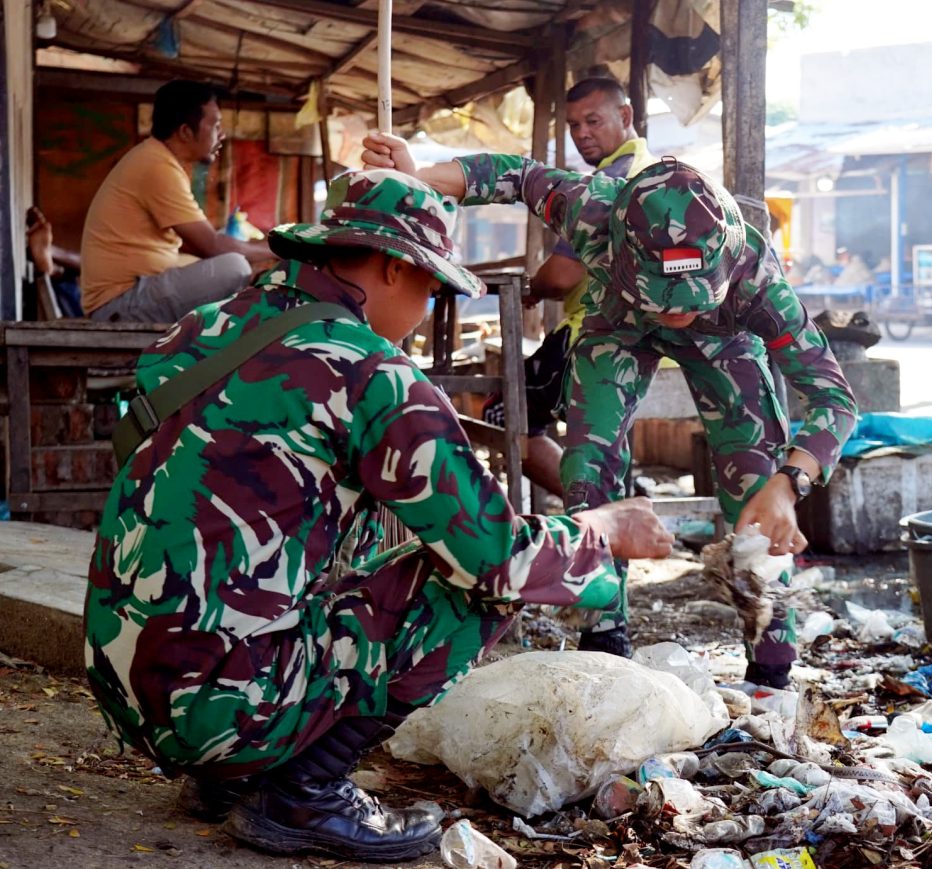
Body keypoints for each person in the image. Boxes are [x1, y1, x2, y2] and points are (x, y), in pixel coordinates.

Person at [84, 169, 674, 861]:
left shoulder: (209, 325)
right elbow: (499, 554)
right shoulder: (374, 376)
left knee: (353, 553)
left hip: (123, 680)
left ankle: (224, 777)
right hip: (219, 705)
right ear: (395, 267)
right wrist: (603, 533)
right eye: (430, 288)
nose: (427, 310)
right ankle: (302, 791)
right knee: (478, 589)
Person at [361, 133, 858, 689]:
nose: (674, 314)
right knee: (587, 469)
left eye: (687, 301)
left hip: (724, 342)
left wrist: (790, 484)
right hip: (617, 327)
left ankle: (771, 664)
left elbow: (833, 398)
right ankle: (604, 637)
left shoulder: (757, 281)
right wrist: (418, 175)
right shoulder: (594, 208)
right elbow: (513, 174)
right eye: (663, 302)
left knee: (754, 483)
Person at [485, 77, 657, 496]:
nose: (582, 134)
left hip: (597, 336)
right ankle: (611, 502)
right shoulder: (653, 172)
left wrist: (534, 289)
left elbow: (562, 275)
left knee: (503, 415)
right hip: (662, 341)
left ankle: (602, 507)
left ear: (626, 116)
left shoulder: (608, 183)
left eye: (593, 121)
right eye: (574, 125)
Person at [80, 80, 272, 323]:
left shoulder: (156, 159)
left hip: (129, 297)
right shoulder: (157, 166)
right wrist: (280, 249)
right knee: (235, 268)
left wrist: (257, 251)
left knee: (234, 265)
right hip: (121, 304)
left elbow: (195, 244)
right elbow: (210, 246)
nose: (221, 135)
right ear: (185, 131)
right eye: (215, 125)